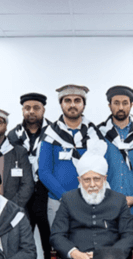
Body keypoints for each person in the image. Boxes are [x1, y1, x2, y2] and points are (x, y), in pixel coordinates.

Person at [37, 84, 105, 222]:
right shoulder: (50, 134)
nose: (72, 105)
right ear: (61, 104)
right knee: (60, 243)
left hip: (90, 201)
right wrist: (66, 197)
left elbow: (101, 169)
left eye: (77, 100)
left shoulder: (94, 134)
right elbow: (44, 172)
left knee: (89, 243)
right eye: (67, 100)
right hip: (58, 202)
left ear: (84, 105)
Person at [7, 92, 54, 259]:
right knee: (21, 248)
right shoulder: (12, 135)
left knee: (49, 247)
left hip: (47, 194)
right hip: (22, 195)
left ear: (43, 110)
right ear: (22, 110)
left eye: (36, 107)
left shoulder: (55, 132)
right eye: (27, 108)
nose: (31, 111)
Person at [98, 85, 133, 228]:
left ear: (131, 105)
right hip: (107, 204)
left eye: (125, 103)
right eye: (116, 103)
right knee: (110, 249)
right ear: (109, 105)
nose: (120, 107)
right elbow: (97, 170)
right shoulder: (100, 133)